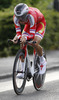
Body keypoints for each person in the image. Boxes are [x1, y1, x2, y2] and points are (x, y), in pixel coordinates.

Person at [12, 3, 47, 78]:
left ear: (26, 14)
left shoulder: (31, 16)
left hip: (39, 23)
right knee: (22, 42)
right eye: (18, 17)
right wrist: (17, 37)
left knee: (35, 43)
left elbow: (31, 35)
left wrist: (24, 37)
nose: (20, 19)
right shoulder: (15, 17)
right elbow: (18, 32)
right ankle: (23, 70)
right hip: (29, 25)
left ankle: (42, 60)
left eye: (21, 17)